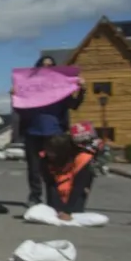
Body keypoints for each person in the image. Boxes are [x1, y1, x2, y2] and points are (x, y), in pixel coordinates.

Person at [16, 55, 86, 206]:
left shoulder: (60, 87)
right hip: (32, 132)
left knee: (55, 167)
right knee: (34, 168)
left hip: (54, 133)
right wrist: (15, 95)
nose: (46, 68)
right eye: (43, 65)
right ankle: (35, 197)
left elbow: (73, 104)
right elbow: (20, 109)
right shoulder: (31, 87)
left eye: (50, 65)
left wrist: (81, 90)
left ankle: (55, 197)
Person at [41, 133, 95, 220]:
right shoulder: (44, 158)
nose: (50, 155)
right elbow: (50, 184)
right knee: (54, 212)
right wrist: (57, 208)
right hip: (57, 187)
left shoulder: (82, 158)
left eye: (53, 153)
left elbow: (79, 186)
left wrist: (67, 211)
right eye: (48, 151)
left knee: (75, 214)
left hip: (75, 189)